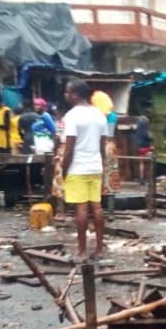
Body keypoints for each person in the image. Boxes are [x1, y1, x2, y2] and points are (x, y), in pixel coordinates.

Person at [61, 79, 107, 263]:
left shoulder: (72, 116)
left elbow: (69, 148)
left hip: (77, 167)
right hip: (95, 166)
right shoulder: (99, 115)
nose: (66, 95)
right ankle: (99, 248)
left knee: (80, 208)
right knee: (96, 207)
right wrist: (102, 165)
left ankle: (82, 251)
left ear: (75, 94)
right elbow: (103, 146)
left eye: (67, 92)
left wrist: (63, 170)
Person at [133, 114, 152, 184]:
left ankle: (141, 179)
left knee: (141, 163)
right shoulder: (146, 125)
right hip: (146, 147)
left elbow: (135, 135)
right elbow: (148, 136)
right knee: (149, 163)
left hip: (139, 146)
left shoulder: (138, 125)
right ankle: (148, 179)